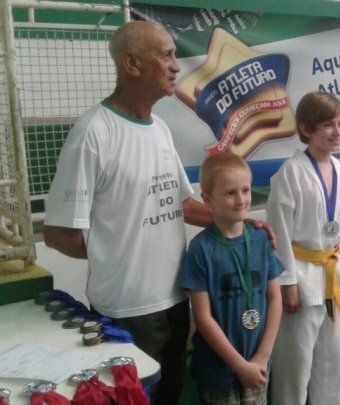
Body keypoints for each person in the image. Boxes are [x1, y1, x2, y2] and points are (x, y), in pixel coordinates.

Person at [42, 21, 273, 404]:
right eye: (165, 55)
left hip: (176, 300)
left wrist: (238, 222)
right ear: (131, 64)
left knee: (169, 394)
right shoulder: (93, 134)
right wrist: (117, 252)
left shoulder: (160, 130)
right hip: (126, 311)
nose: (175, 66)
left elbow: (181, 204)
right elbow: (58, 234)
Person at [266, 91, 340, 405]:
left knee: (333, 358)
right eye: (328, 125)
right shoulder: (290, 173)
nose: (338, 132)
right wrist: (287, 282)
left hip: (332, 274)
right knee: (296, 360)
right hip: (302, 275)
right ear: (306, 129)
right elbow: (278, 231)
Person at [177, 153, 282, 405]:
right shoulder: (200, 249)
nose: (241, 200)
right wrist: (239, 365)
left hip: (257, 363)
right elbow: (203, 318)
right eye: (230, 193)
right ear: (207, 199)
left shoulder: (260, 239)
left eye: (245, 190)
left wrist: (261, 357)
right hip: (217, 370)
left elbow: (275, 298)